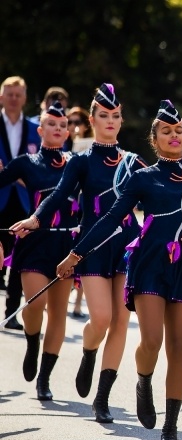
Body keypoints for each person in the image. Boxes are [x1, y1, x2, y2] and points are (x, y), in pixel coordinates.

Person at [55, 100, 182, 440]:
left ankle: (170, 428)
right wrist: (76, 254)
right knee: (151, 340)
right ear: (155, 139)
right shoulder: (141, 179)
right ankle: (143, 381)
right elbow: (109, 220)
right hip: (149, 262)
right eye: (167, 131)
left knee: (178, 345)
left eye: (179, 130)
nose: (175, 135)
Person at [12, 83, 147, 417]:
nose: (111, 121)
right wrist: (36, 217)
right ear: (93, 118)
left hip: (126, 246)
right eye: (104, 115)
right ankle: (88, 351)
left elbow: (158, 192)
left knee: (120, 321)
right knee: (101, 319)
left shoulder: (133, 161)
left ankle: (102, 398)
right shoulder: (81, 161)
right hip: (91, 245)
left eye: (116, 116)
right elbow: (58, 195)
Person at [0, 102, 76, 400]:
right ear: (40, 129)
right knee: (36, 303)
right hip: (34, 241)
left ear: (68, 132)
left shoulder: (77, 163)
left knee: (59, 313)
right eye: (51, 124)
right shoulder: (26, 162)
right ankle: (32, 342)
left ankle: (44, 378)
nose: (57, 129)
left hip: (66, 243)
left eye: (62, 125)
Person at [0, 76, 40, 330]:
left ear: (25, 97)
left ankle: (12, 311)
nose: (14, 99)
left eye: (18, 94)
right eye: (9, 94)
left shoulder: (35, 127)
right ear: (1, 96)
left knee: (18, 257)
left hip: (25, 200)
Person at [67, 106, 93, 319]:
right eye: (71, 122)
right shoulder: (64, 146)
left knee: (83, 250)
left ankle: (77, 302)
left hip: (85, 203)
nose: (75, 127)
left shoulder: (91, 147)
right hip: (67, 203)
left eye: (78, 122)